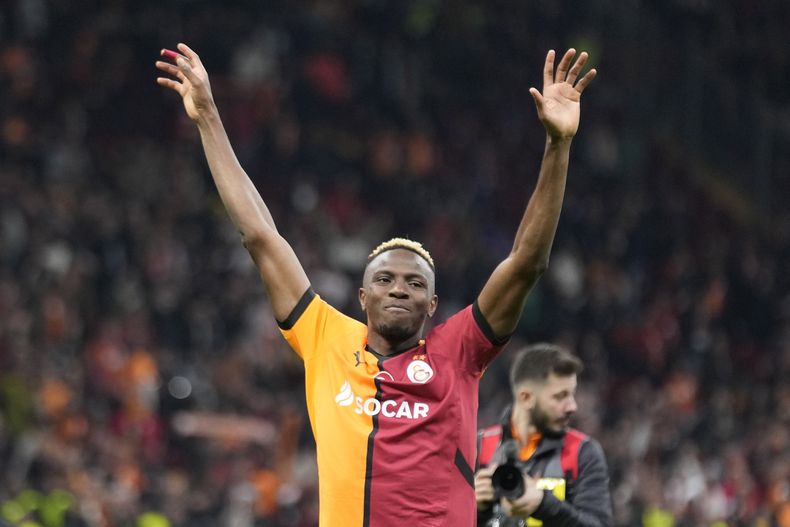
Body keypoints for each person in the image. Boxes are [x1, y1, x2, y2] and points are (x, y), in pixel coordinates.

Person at [155, 43, 596, 526]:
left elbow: (526, 263)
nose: (399, 288)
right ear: (363, 297)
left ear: (433, 304)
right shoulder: (325, 338)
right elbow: (260, 236)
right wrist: (209, 118)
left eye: (413, 283)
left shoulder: (459, 351)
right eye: (384, 279)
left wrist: (558, 145)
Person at [474, 343, 613, 526]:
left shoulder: (583, 453)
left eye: (572, 394)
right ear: (526, 397)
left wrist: (543, 505)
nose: (572, 406)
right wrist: (475, 509)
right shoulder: (478, 447)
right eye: (560, 396)